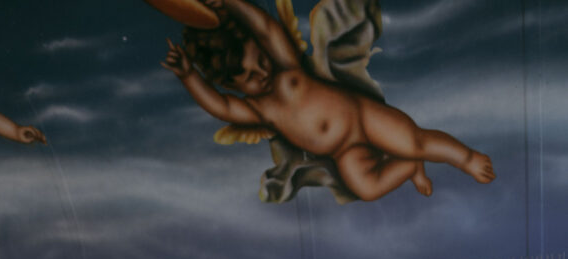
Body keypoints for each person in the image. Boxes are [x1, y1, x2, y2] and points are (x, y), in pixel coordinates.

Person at [163, 0, 495, 201]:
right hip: (343, 151)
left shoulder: (287, 69)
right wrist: (188, 76)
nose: (261, 73)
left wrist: (232, 3)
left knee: (414, 140)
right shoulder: (258, 110)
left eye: (260, 61)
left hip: (362, 117)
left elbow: (265, 28)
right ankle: (409, 164)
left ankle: (463, 157)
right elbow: (218, 106)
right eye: (249, 76)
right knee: (366, 188)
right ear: (231, 83)